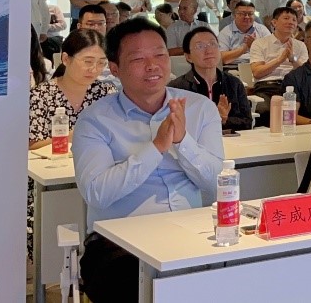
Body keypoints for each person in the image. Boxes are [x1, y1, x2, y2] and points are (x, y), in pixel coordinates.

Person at [73, 18, 223, 302]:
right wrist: (156, 148)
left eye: (159, 55)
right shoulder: (95, 120)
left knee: (242, 272)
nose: (153, 66)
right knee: (141, 285)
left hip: (192, 232)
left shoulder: (199, 108)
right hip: (120, 243)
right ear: (115, 69)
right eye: (138, 59)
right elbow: (96, 193)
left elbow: (216, 184)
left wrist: (182, 141)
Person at [27, 30, 116, 254]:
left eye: (101, 63)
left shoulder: (106, 93)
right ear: (66, 59)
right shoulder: (41, 95)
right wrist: (68, 138)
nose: (94, 69)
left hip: (97, 173)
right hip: (49, 175)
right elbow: (31, 143)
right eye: (87, 61)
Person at [170, 26, 252, 131]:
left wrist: (224, 120)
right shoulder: (177, 88)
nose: (208, 51)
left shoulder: (234, 83)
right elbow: (172, 125)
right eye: (200, 46)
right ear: (188, 57)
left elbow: (247, 122)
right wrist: (212, 118)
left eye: (213, 44)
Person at [249, 6, 308, 105]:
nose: (291, 22)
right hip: (268, 86)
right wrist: (280, 60)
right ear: (274, 22)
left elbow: (306, 73)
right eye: (286, 18)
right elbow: (257, 72)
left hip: (294, 87)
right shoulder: (260, 43)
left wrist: (293, 59)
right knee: (263, 110)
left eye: (294, 20)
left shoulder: (300, 45)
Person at [218, 0, 271, 69]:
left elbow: (272, 52)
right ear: (235, 15)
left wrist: (256, 46)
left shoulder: (262, 29)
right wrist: (244, 48)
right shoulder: (226, 32)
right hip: (233, 67)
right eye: (242, 14)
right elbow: (222, 58)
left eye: (250, 14)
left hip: (258, 66)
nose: (247, 17)